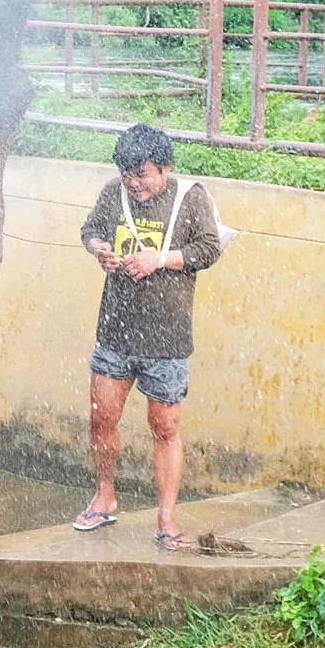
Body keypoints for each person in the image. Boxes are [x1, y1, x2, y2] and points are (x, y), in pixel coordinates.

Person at [73, 124, 221, 553]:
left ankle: (167, 517)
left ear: (166, 167)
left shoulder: (190, 197)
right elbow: (89, 231)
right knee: (102, 418)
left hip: (167, 339)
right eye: (127, 175)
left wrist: (161, 259)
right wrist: (99, 249)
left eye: (144, 175)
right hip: (115, 332)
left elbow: (209, 249)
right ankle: (105, 495)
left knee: (165, 428)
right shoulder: (112, 194)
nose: (135, 184)